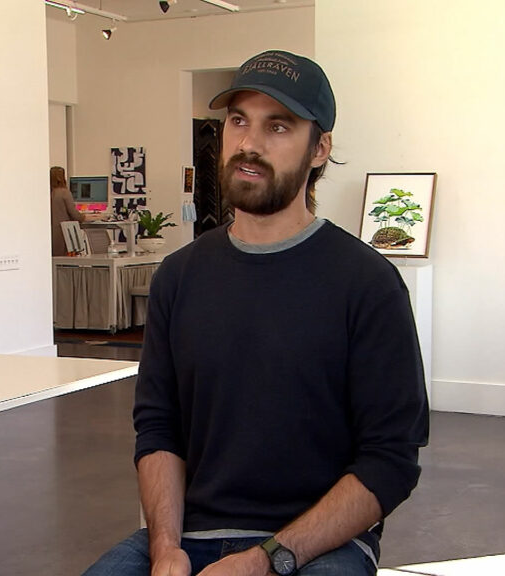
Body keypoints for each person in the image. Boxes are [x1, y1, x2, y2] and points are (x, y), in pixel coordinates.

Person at [83, 49, 429, 576]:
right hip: (188, 534)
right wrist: (165, 548)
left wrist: (267, 561)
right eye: (239, 120)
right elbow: (158, 429)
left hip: (315, 544)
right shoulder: (179, 277)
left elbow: (391, 460)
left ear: (320, 148)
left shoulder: (368, 284)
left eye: (279, 126)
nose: (249, 143)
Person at [51, 166, 86, 256]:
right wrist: (87, 217)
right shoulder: (64, 192)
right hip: (63, 235)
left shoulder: (47, 193)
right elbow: (75, 215)